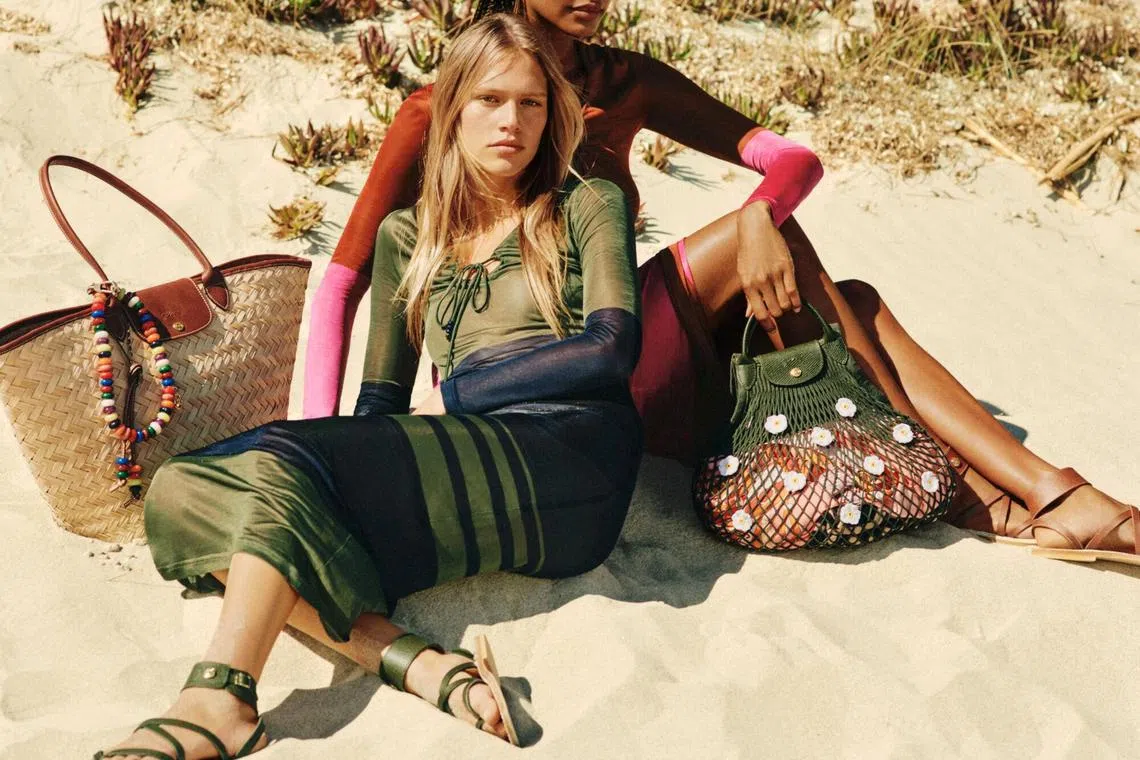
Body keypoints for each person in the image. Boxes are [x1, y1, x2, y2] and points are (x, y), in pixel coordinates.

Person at [303, 0, 1138, 562]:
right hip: (552, 382)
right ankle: (989, 489)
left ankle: (1014, 489)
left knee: (853, 299)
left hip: (625, 340)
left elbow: (793, 160)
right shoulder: (441, 109)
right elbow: (343, 285)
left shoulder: (626, 82)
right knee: (771, 246)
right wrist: (319, 440)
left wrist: (759, 211)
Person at [94, 15, 643, 759]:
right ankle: (418, 663)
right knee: (182, 488)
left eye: (530, 103)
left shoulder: (584, 203)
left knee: (284, 464)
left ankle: (220, 699)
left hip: (573, 459)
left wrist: (455, 398)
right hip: (467, 458)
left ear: (551, 117)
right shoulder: (407, 235)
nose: (510, 121)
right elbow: (381, 404)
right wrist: (345, 467)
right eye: (488, 99)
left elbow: (611, 348)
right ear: (452, 109)